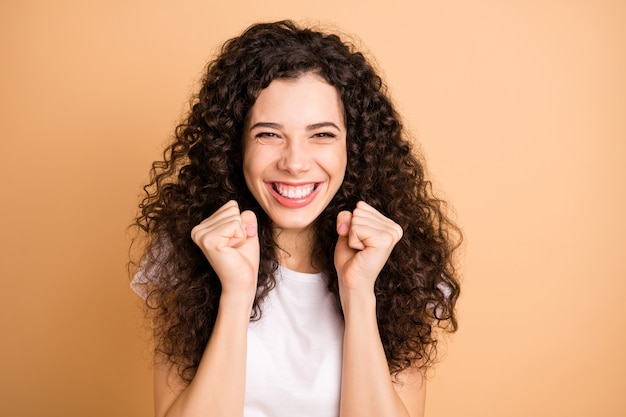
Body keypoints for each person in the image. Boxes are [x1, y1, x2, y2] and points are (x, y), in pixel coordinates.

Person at [130, 20, 461, 417]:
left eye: (321, 135)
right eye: (268, 134)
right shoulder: (188, 248)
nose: (295, 163)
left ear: (353, 147)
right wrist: (236, 293)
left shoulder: (404, 261)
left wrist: (358, 292)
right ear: (235, 146)